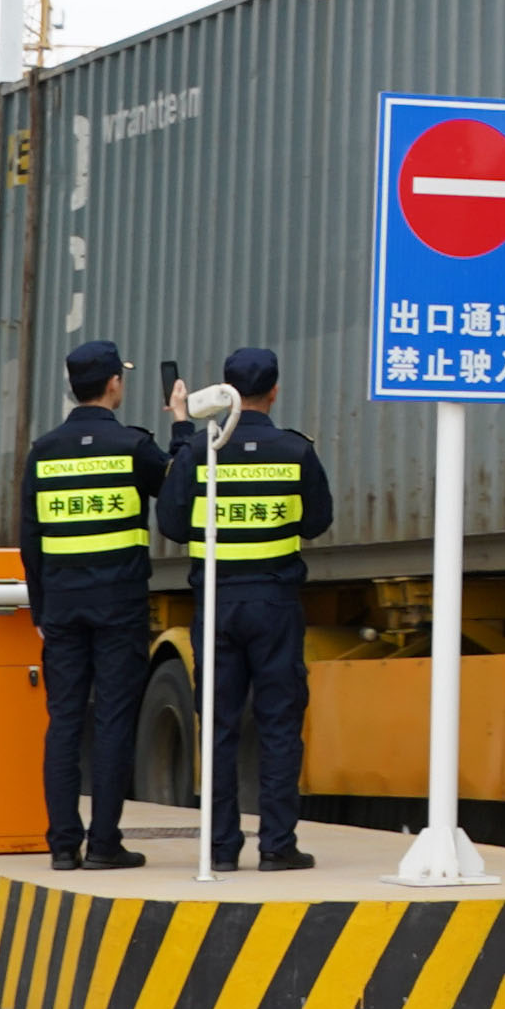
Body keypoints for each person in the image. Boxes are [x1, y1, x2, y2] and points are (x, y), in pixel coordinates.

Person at [12, 337, 164, 871]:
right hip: (119, 605)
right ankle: (103, 845)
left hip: (62, 607)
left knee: (64, 722)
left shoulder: (44, 451)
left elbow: (30, 540)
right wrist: (183, 427)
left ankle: (61, 845)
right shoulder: (132, 446)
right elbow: (176, 489)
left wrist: (41, 610)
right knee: (114, 720)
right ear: (114, 383)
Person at [184, 345, 319, 873]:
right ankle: (277, 845)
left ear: (226, 393)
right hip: (274, 604)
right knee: (279, 724)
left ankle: (220, 848)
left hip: (216, 603)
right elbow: (318, 521)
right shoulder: (296, 451)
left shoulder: (201, 452)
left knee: (218, 725)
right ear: (275, 391)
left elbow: (171, 522)